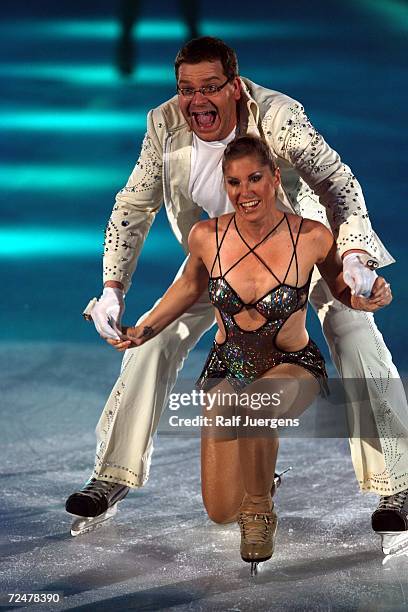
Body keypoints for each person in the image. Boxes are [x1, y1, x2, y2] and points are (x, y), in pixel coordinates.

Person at [66, 37, 408, 556]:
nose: (197, 101)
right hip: (221, 257)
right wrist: (112, 288)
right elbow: (133, 206)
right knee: (152, 344)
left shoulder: (279, 117)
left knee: (353, 332)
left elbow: (337, 182)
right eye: (186, 89)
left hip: (301, 248)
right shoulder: (164, 124)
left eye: (210, 87)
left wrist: (356, 255)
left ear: (235, 85)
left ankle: (398, 483)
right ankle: (111, 474)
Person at [109, 135, 391, 568]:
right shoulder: (207, 237)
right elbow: (187, 288)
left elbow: (341, 290)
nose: (245, 192)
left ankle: (260, 510)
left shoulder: (312, 237)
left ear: (275, 178)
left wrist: (367, 296)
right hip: (228, 370)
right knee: (221, 510)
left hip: (290, 365)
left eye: (255, 178)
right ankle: (261, 484)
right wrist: (141, 330)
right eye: (234, 182)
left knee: (257, 407)